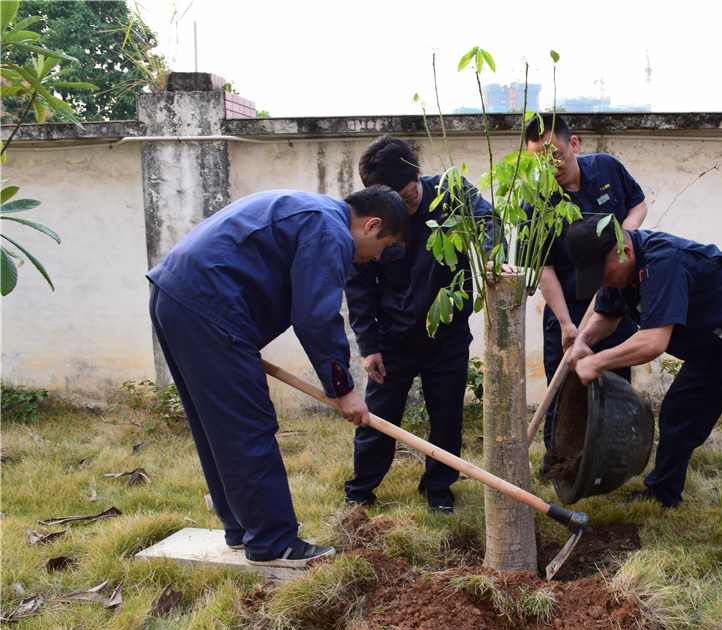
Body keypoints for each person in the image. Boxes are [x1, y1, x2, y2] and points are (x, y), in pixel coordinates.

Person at [147, 186, 409, 568]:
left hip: (175, 294)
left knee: (218, 426)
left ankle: (242, 528)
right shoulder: (330, 230)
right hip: (209, 305)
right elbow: (315, 317)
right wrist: (343, 390)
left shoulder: (310, 209)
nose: (376, 258)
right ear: (371, 225)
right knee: (246, 423)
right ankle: (273, 544)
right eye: (384, 247)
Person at [563, 215, 722, 551]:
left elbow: (653, 342)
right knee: (678, 415)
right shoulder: (620, 275)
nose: (604, 284)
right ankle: (663, 491)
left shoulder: (663, 262)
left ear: (624, 251)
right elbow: (606, 315)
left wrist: (596, 362)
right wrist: (584, 341)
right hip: (708, 342)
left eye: (604, 275)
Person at [343, 135, 495, 513]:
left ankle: (438, 488)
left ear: (418, 175)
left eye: (408, 197)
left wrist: (493, 258)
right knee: (376, 420)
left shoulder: (451, 191)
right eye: (393, 202)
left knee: (446, 417)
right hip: (392, 340)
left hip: (447, 337)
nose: (404, 208)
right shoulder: (369, 221)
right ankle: (360, 491)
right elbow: (359, 286)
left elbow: (488, 221)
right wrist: (369, 346)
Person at [523, 115, 646, 468]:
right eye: (540, 162)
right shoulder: (539, 199)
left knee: (615, 385)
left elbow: (637, 203)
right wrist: (565, 323)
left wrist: (625, 235)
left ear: (573, 144)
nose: (552, 167)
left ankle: (611, 462)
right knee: (563, 388)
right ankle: (557, 462)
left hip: (614, 303)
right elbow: (543, 267)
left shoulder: (607, 168)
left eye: (556, 156)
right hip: (568, 306)